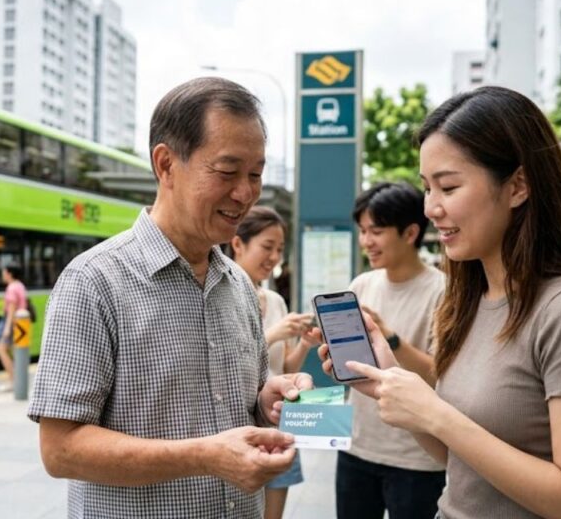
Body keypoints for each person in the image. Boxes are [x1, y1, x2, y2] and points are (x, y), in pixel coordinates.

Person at [319, 86, 561, 518]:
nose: (431, 207)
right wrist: (390, 385)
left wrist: (437, 414)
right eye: (427, 187)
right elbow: (460, 462)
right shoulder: (466, 301)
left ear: (518, 186)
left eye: (447, 186)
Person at [28, 77, 314, 518]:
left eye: (256, 174)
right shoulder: (93, 281)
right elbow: (61, 449)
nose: (245, 193)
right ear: (165, 164)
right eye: (227, 172)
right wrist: (203, 455)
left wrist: (265, 400)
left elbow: (243, 404)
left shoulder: (237, 284)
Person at [335, 182, 446, 519]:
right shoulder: (361, 285)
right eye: (363, 231)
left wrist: (390, 338)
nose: (366, 241)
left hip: (417, 459)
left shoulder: (444, 292)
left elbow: (442, 376)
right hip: (357, 448)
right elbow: (352, 367)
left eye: (377, 231)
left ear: (410, 232)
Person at [227, 206, 318, 519]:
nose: (274, 257)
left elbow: (286, 369)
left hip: (280, 422)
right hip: (239, 425)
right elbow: (226, 359)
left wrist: (304, 343)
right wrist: (275, 333)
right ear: (238, 244)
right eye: (267, 247)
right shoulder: (221, 297)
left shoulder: (276, 300)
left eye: (279, 249)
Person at [0, 264, 28, 391]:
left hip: (12, 322)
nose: (3, 274)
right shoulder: (20, 285)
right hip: (20, 324)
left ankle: (13, 381)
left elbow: (11, 309)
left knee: (1, 349)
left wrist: (7, 328)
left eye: (4, 272)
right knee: (15, 352)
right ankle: (17, 380)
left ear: (9, 273)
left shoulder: (11, 287)